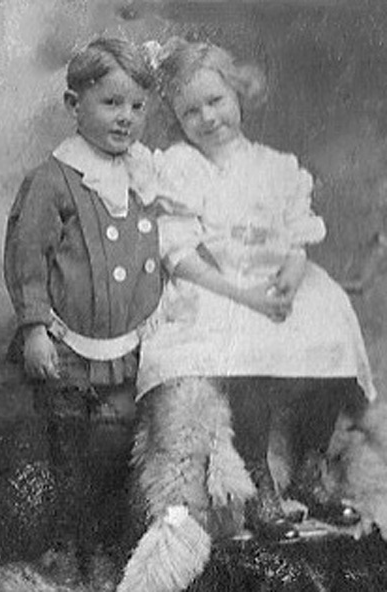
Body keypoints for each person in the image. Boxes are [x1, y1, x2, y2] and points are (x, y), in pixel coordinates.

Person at [116, 38, 377, 592]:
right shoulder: (179, 169)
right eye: (191, 111)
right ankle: (258, 479)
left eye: (216, 101)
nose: (208, 118)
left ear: (239, 93)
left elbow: (297, 237)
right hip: (216, 285)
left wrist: (290, 274)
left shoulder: (277, 167)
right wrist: (245, 296)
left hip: (275, 282)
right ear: (177, 118)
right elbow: (180, 253)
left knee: (331, 324)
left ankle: (310, 469)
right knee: (249, 344)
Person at [4, 37, 162, 576]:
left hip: (127, 347)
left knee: (114, 453)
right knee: (69, 452)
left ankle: (106, 550)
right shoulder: (54, 178)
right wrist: (34, 328)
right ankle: (69, 547)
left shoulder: (144, 175)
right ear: (75, 104)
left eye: (137, 105)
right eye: (111, 103)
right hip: (67, 345)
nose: (126, 117)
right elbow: (28, 254)